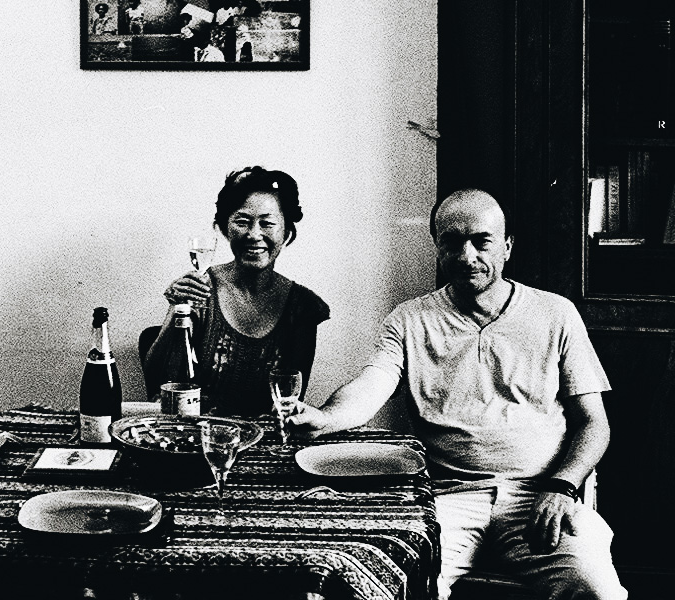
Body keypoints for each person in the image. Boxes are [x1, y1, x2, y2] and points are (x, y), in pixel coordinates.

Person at [286, 189, 626, 600]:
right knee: (384, 584)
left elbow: (594, 423)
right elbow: (370, 385)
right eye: (451, 242)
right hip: (445, 499)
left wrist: (563, 487)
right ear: (437, 247)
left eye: (481, 241)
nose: (467, 256)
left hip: (540, 496)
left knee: (595, 588)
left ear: (507, 246)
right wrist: (326, 418)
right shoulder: (409, 320)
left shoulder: (556, 313)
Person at [148, 167, 330, 416]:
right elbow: (156, 382)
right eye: (242, 222)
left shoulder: (303, 307)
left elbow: (290, 399)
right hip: (196, 432)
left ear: (287, 233)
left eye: (267, 223)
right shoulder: (202, 290)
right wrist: (176, 311)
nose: (254, 235)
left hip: (265, 435)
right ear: (224, 229)